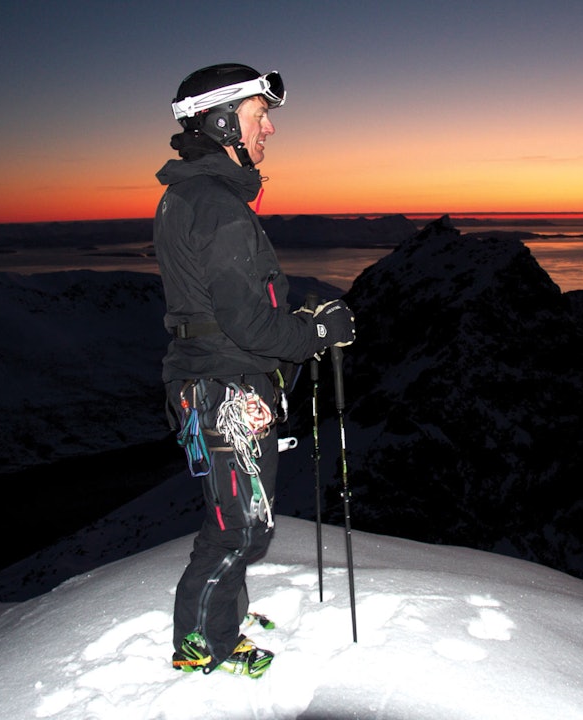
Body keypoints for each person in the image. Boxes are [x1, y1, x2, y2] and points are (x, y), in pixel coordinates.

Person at [153, 63, 355, 678]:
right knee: (239, 528)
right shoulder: (220, 208)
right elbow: (251, 328)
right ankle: (202, 644)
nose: (268, 127)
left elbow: (231, 305)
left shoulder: (191, 195)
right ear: (221, 122)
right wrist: (317, 332)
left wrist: (290, 318)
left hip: (212, 380)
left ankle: (223, 617)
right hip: (227, 390)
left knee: (238, 514)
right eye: (257, 114)